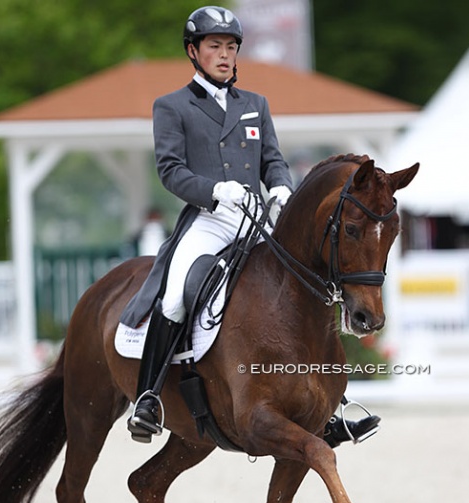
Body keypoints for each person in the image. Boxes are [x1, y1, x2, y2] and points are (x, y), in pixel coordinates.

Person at [123, 5, 379, 445]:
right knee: (175, 296)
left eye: (230, 47)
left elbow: (273, 160)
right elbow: (170, 170)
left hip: (256, 222)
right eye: (214, 47)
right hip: (208, 220)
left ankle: (332, 407)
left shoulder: (254, 105)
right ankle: (149, 398)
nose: (224, 55)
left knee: (311, 287)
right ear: (193, 51)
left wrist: (281, 189)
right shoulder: (172, 106)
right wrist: (214, 191)